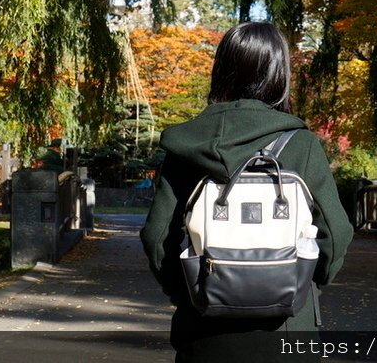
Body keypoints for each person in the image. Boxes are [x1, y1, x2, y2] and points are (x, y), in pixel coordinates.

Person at [140, 22, 354, 362]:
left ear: (222, 69)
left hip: (204, 329)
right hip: (286, 328)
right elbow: (336, 233)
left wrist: (190, 290)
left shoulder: (186, 145)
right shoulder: (300, 145)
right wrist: (307, 278)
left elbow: (156, 237)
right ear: (279, 74)